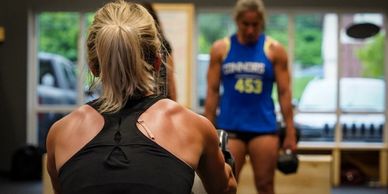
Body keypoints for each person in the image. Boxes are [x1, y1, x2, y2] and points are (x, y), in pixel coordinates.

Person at [45, 1, 236, 194]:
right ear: (157, 61)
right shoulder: (194, 127)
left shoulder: (60, 134)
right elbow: (224, 189)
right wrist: (224, 162)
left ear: (93, 66)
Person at [204, 0, 297, 193]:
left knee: (265, 185)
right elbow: (212, 92)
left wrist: (290, 133)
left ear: (261, 23)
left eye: (255, 25)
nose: (250, 30)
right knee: (225, 186)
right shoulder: (221, 49)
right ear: (237, 21)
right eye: (245, 24)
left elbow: (284, 93)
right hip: (230, 128)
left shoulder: (274, 50)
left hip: (263, 128)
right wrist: (207, 128)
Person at [140, 2, 177, 101]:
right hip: (158, 101)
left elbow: (170, 78)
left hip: (154, 100)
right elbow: (170, 79)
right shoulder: (163, 43)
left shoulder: (163, 43)